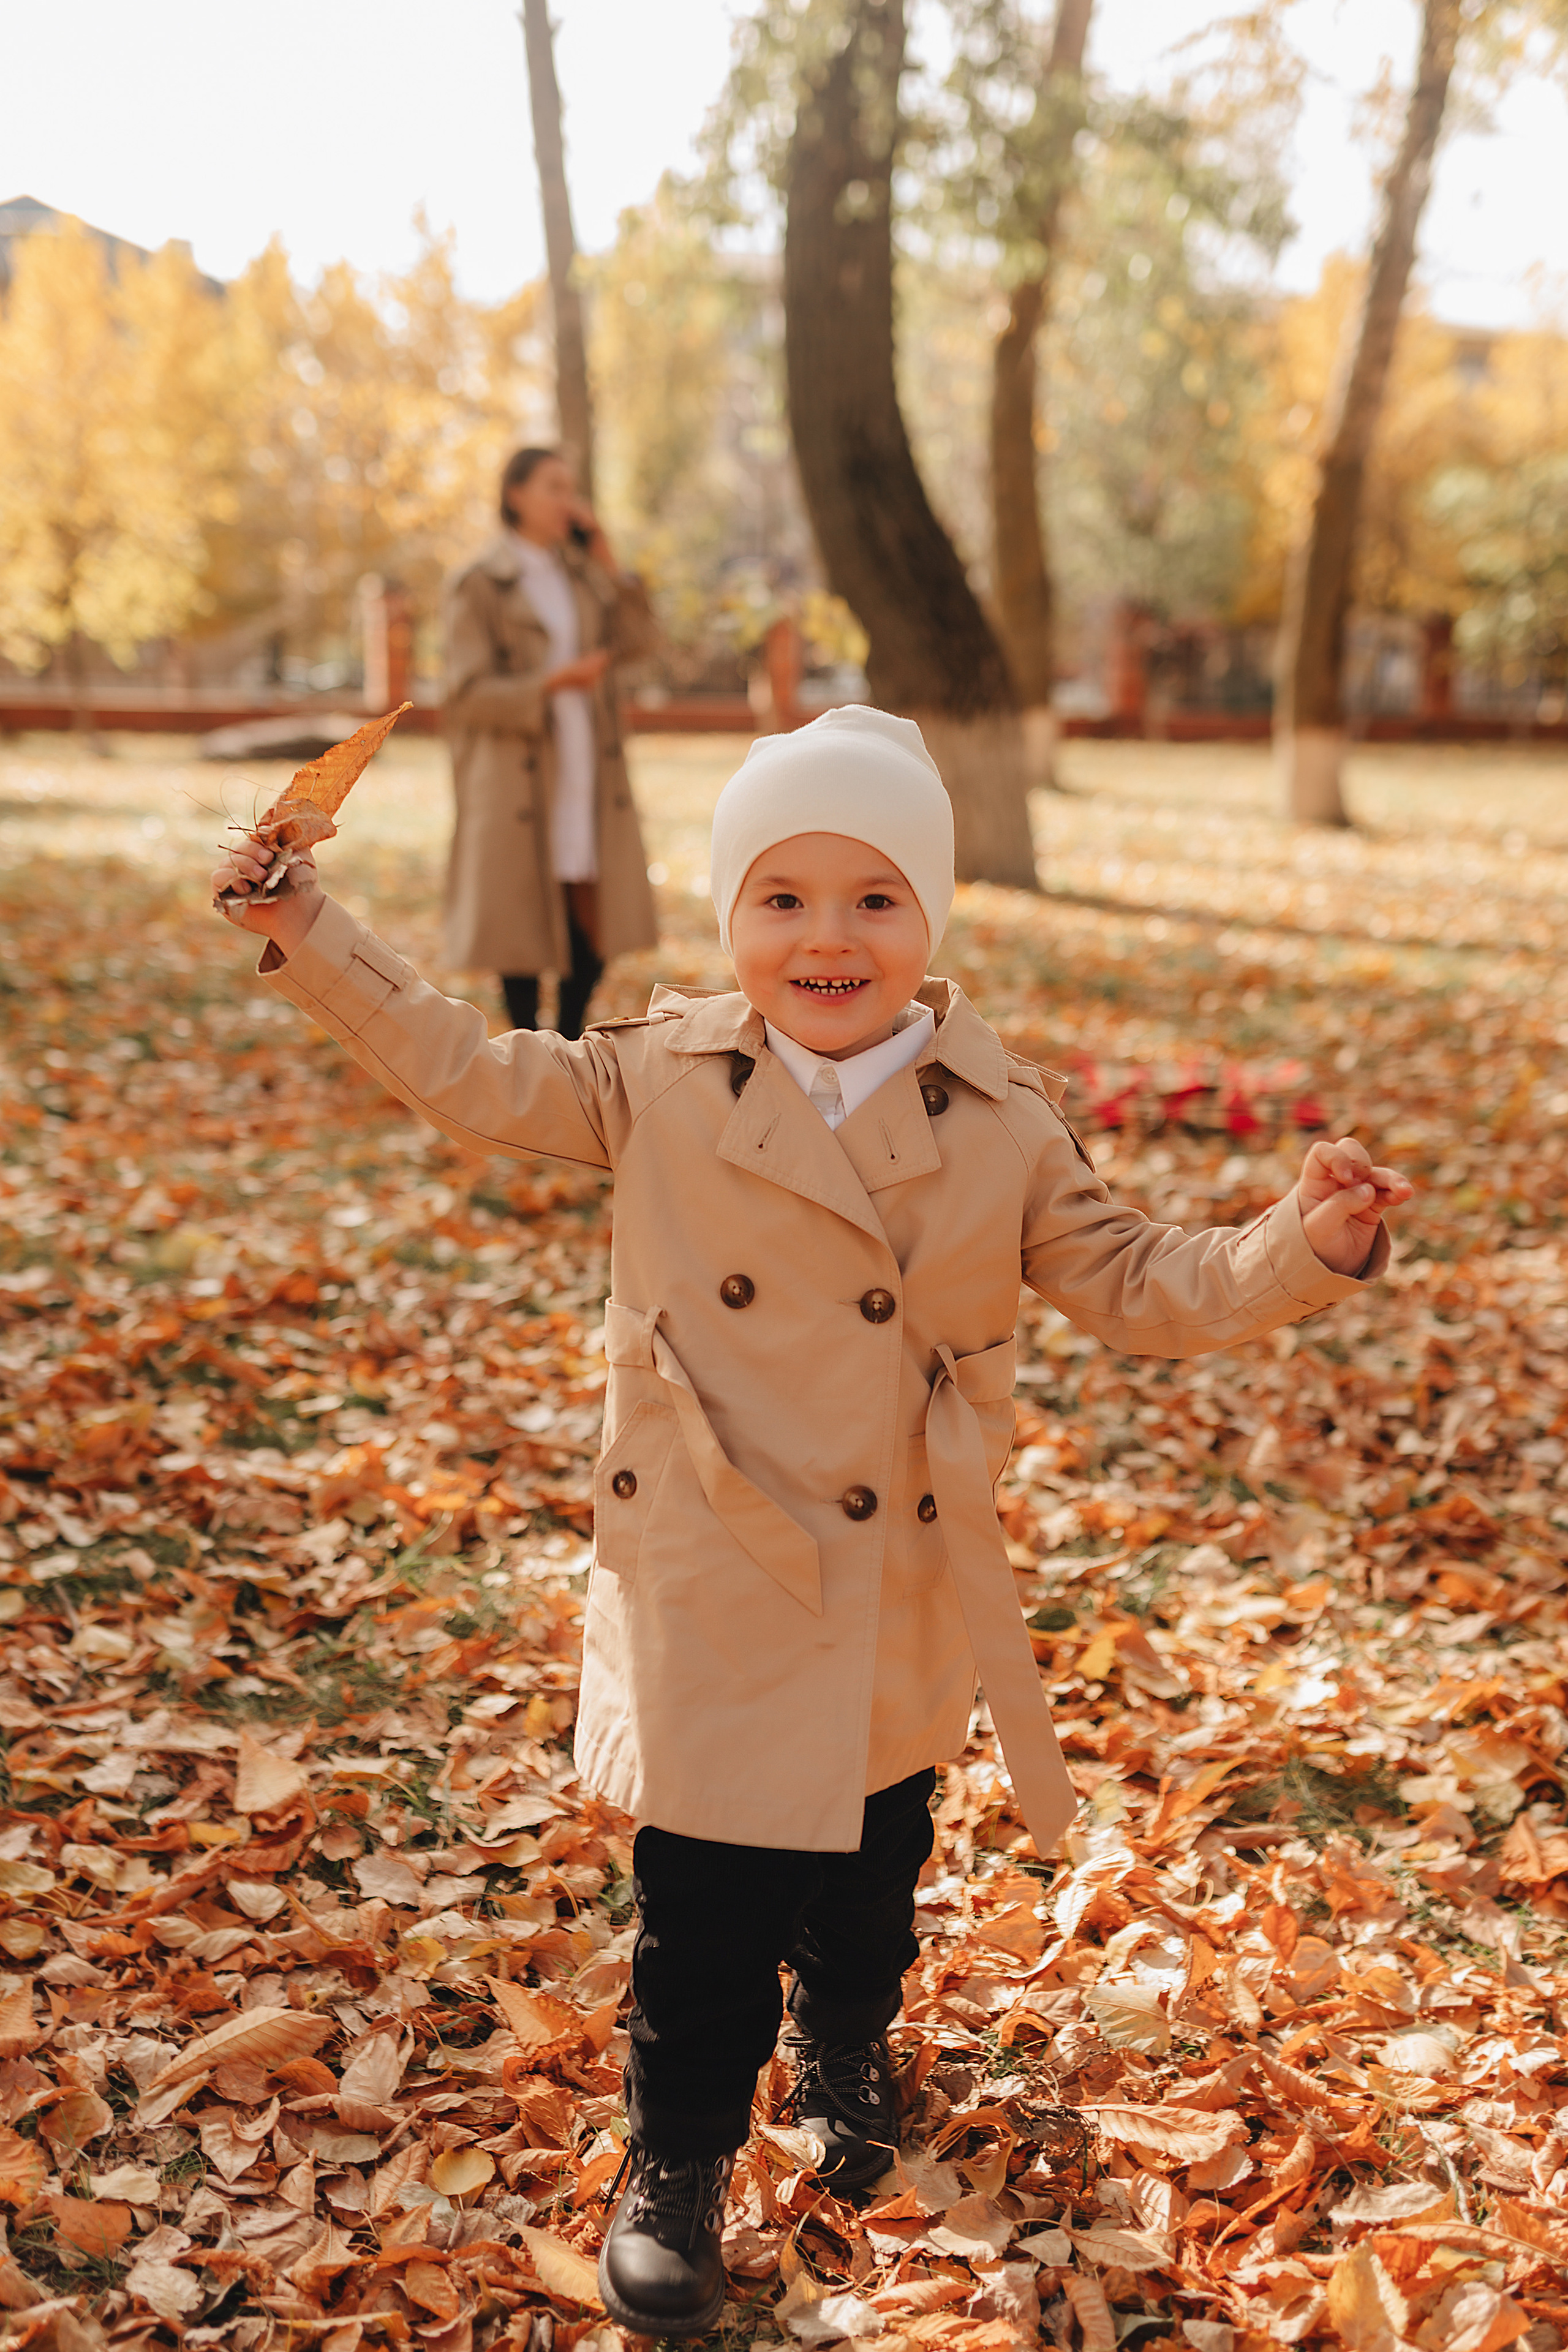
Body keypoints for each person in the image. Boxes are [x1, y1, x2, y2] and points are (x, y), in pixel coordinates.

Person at [211, 704, 1410, 2339]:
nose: (828, 938)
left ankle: (846, 2045)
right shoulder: (656, 1081)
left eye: (873, 898)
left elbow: (1146, 1284)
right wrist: (308, 927)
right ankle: (680, 2162)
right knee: (699, 1910)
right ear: (732, 921)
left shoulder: (1002, 1123)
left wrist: (1301, 1237)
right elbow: (463, 1066)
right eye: (782, 898)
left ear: (928, 920)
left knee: (868, 1865)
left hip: (897, 1562)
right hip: (709, 1560)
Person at [444, 445, 659, 1039]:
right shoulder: (479, 584)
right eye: (554, 487)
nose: (570, 501)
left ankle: (566, 1037)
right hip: (517, 769)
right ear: (515, 496)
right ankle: (526, 1048)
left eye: (572, 488)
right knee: (520, 916)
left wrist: (612, 565)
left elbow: (640, 643)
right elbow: (465, 693)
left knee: (594, 906)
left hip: (587, 760)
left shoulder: (585, 576)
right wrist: (553, 682)